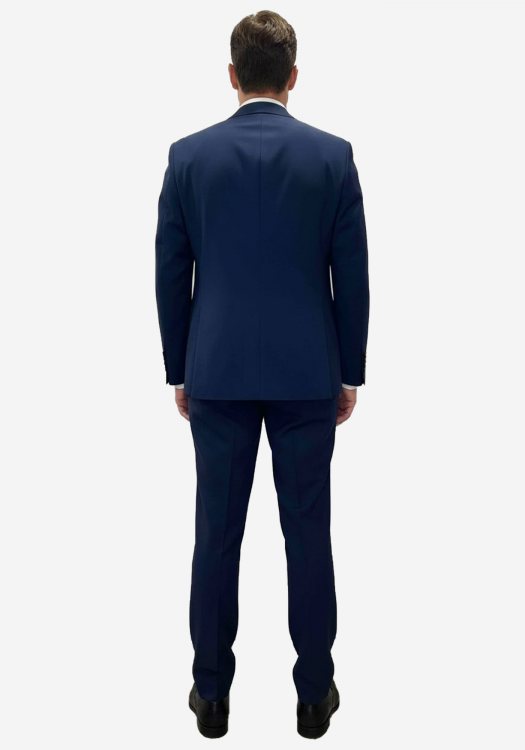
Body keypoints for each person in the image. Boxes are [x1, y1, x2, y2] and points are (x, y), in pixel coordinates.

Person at [155, 10, 369, 739]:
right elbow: (352, 276)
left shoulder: (188, 157)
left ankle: (211, 695)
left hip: (215, 371)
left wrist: (179, 367)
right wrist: (349, 370)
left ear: (231, 75)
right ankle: (313, 696)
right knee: (307, 534)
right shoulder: (332, 157)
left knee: (216, 534)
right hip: (308, 373)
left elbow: (170, 273)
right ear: (293, 77)